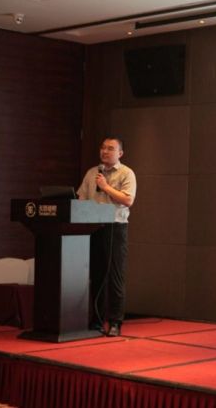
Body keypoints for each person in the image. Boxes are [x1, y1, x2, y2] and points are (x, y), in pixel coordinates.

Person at [77, 136, 136, 337]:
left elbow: (128, 200)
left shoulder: (126, 173)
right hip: (93, 228)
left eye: (110, 148)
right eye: (103, 147)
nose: (104, 151)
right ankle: (96, 320)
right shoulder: (92, 173)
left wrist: (105, 187)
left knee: (114, 277)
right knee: (97, 276)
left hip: (115, 228)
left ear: (120, 153)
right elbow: (81, 199)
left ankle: (115, 322)